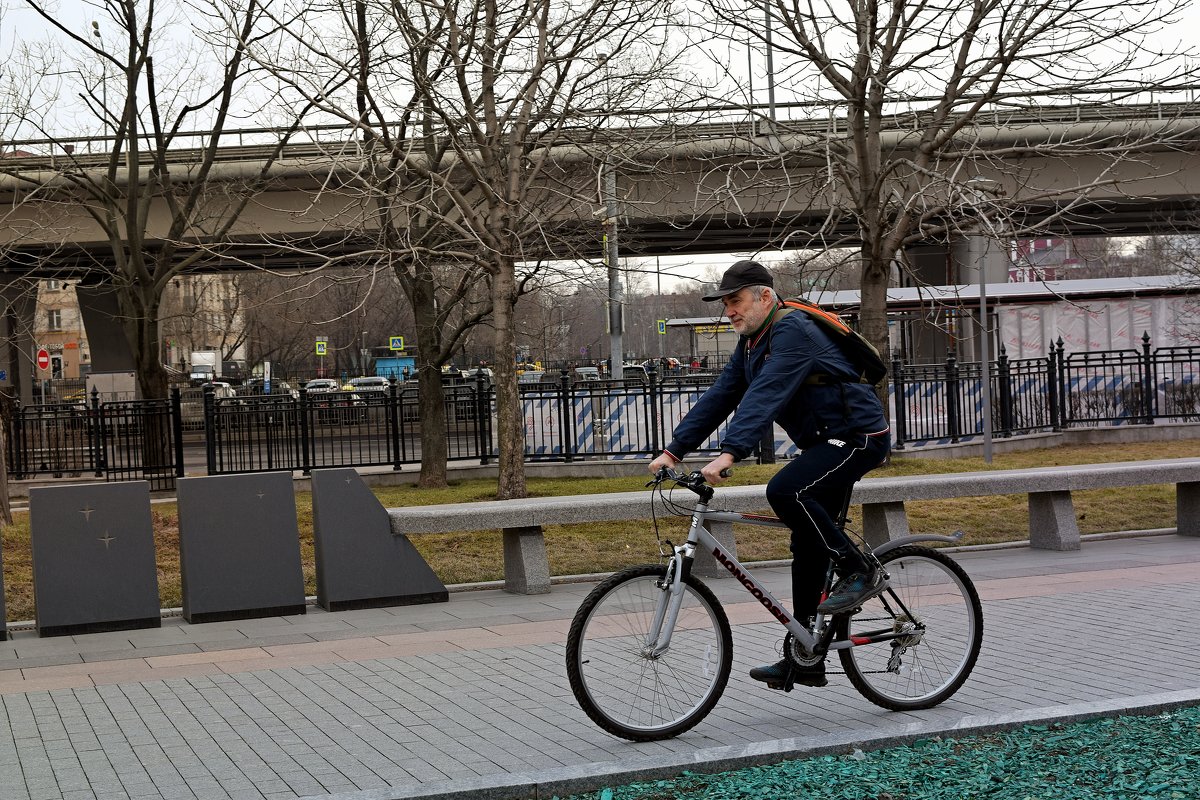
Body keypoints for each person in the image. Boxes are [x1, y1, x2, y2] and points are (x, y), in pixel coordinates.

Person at [647, 260, 891, 689]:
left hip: (858, 437)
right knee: (808, 542)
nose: (729, 311)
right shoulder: (750, 342)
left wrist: (730, 453)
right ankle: (805, 656)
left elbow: (767, 393)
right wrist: (674, 449)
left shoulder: (793, 329)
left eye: (735, 301)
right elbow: (722, 395)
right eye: (725, 305)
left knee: (786, 490)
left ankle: (860, 570)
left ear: (764, 296)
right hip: (824, 441)